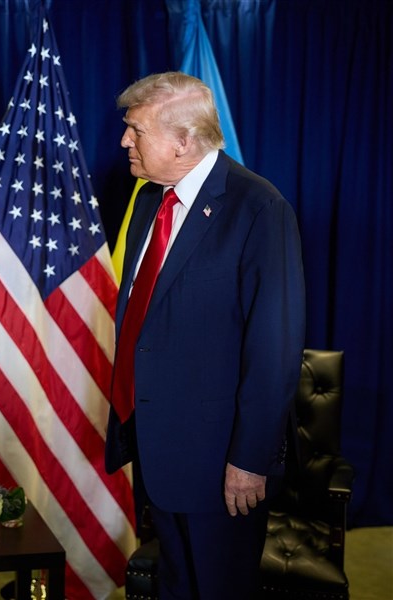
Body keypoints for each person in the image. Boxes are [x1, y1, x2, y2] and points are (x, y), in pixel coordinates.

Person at [105, 73, 305, 599]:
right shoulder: (149, 199)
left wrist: (250, 459)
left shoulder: (258, 209)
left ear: (183, 140)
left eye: (136, 130)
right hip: (157, 446)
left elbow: (275, 349)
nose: (125, 141)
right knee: (177, 586)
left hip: (221, 462)